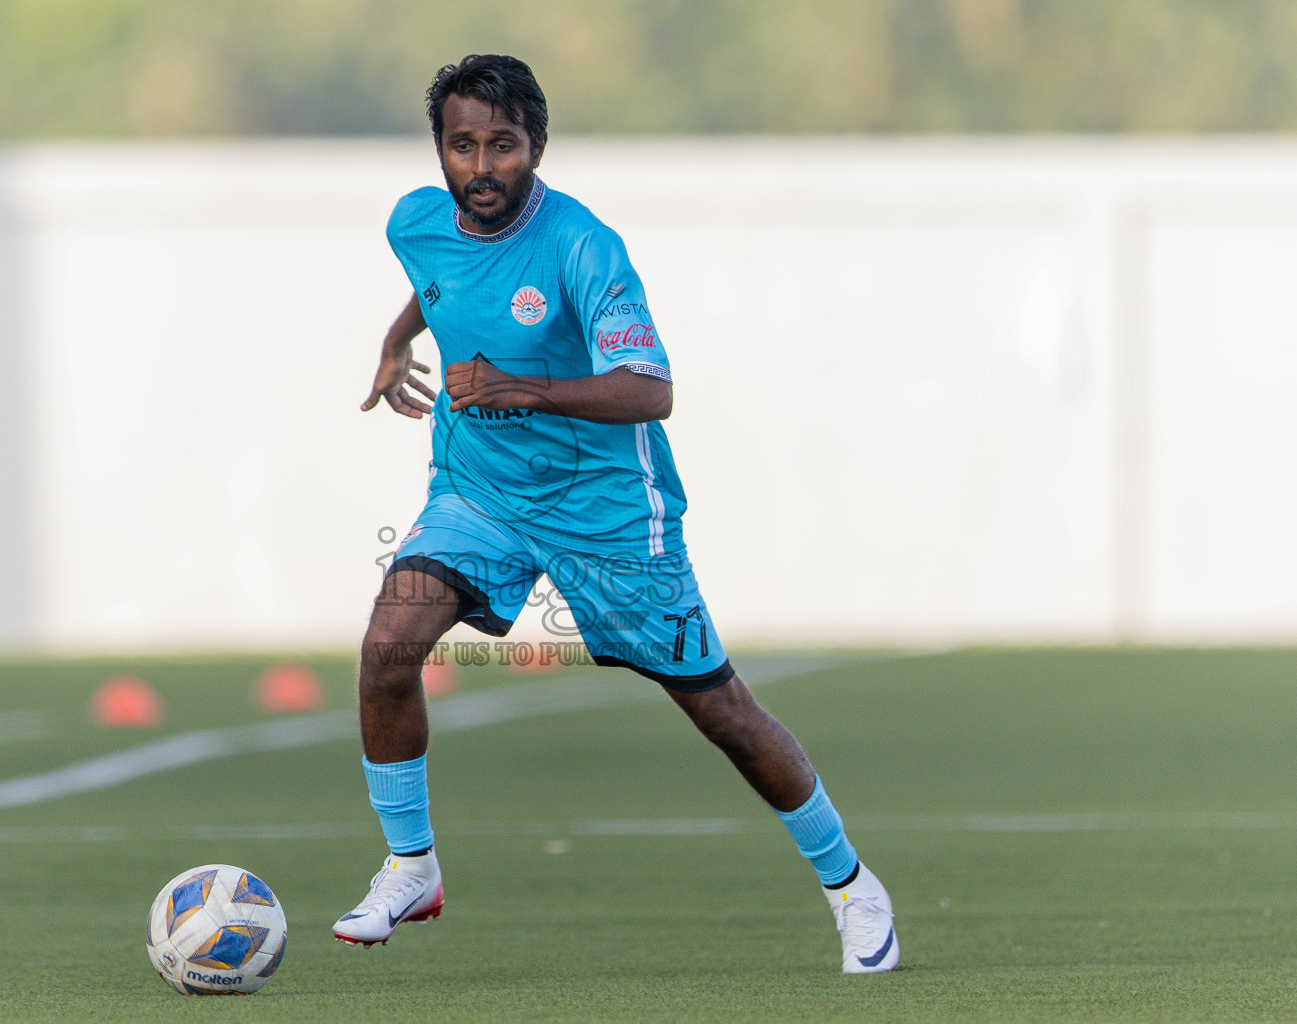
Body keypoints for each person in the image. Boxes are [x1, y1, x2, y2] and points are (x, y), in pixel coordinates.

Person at [336, 54, 898, 974]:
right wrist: (400, 341)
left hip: (607, 516)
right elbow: (439, 283)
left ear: (539, 147)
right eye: (462, 145)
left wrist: (515, 385)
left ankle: (851, 885)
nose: (482, 167)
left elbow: (651, 390)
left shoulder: (584, 247)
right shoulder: (415, 221)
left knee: (722, 712)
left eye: (503, 146)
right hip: (479, 494)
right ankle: (411, 865)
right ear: (438, 150)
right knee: (389, 647)